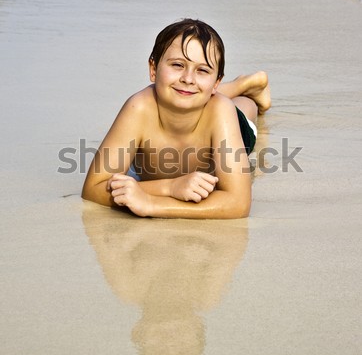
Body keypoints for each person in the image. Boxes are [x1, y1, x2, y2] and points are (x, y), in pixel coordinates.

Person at [81, 18, 271, 218]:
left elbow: (239, 204)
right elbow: (92, 189)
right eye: (178, 65)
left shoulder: (221, 111)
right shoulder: (139, 108)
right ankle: (237, 83)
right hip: (200, 98)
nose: (187, 77)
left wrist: (152, 203)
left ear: (216, 82)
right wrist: (170, 187)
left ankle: (244, 87)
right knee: (190, 91)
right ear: (153, 70)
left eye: (203, 70)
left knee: (243, 106)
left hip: (230, 121)